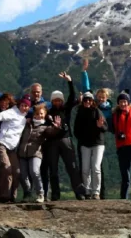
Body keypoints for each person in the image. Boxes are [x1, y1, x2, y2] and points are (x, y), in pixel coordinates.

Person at [44, 72, 86, 201]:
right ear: (52, 101)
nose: (57, 102)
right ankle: (56, 195)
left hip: (66, 139)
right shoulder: (48, 112)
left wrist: (70, 81)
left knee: (72, 166)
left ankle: (79, 192)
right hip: (52, 142)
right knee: (53, 169)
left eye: (59, 100)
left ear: (62, 101)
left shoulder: (66, 108)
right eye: (55, 100)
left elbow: (72, 96)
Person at [0, 95, 30, 203]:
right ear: (19, 105)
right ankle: (4, 197)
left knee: (17, 171)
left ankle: (12, 197)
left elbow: (41, 110)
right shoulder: (12, 112)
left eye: (26, 106)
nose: (24, 107)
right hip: (0, 144)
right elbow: (0, 116)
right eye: (23, 105)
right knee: (6, 168)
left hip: (12, 148)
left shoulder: (25, 117)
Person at [80, 58, 114, 199]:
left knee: (97, 168)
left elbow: (111, 125)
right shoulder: (93, 107)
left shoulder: (110, 110)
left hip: (101, 139)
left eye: (103, 97)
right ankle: (92, 191)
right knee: (91, 168)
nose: (100, 99)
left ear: (107, 97)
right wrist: (84, 72)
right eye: (99, 97)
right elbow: (86, 89)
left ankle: (99, 192)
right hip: (89, 140)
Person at [17, 104, 61, 203]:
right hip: (22, 153)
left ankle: (40, 193)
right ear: (34, 115)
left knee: (35, 172)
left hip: (36, 153)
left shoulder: (45, 127)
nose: (39, 115)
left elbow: (51, 132)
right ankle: (28, 193)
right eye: (37, 113)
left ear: (45, 115)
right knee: (22, 174)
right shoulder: (27, 124)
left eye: (41, 114)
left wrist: (57, 128)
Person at [74, 91, 108, 199]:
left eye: (89, 100)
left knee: (96, 167)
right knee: (85, 169)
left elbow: (105, 127)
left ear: (92, 101)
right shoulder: (80, 113)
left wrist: (100, 126)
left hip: (98, 143)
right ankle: (87, 191)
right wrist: (82, 137)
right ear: (83, 101)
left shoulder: (97, 111)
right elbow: (76, 130)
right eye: (85, 100)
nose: (87, 101)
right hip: (85, 144)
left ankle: (96, 192)